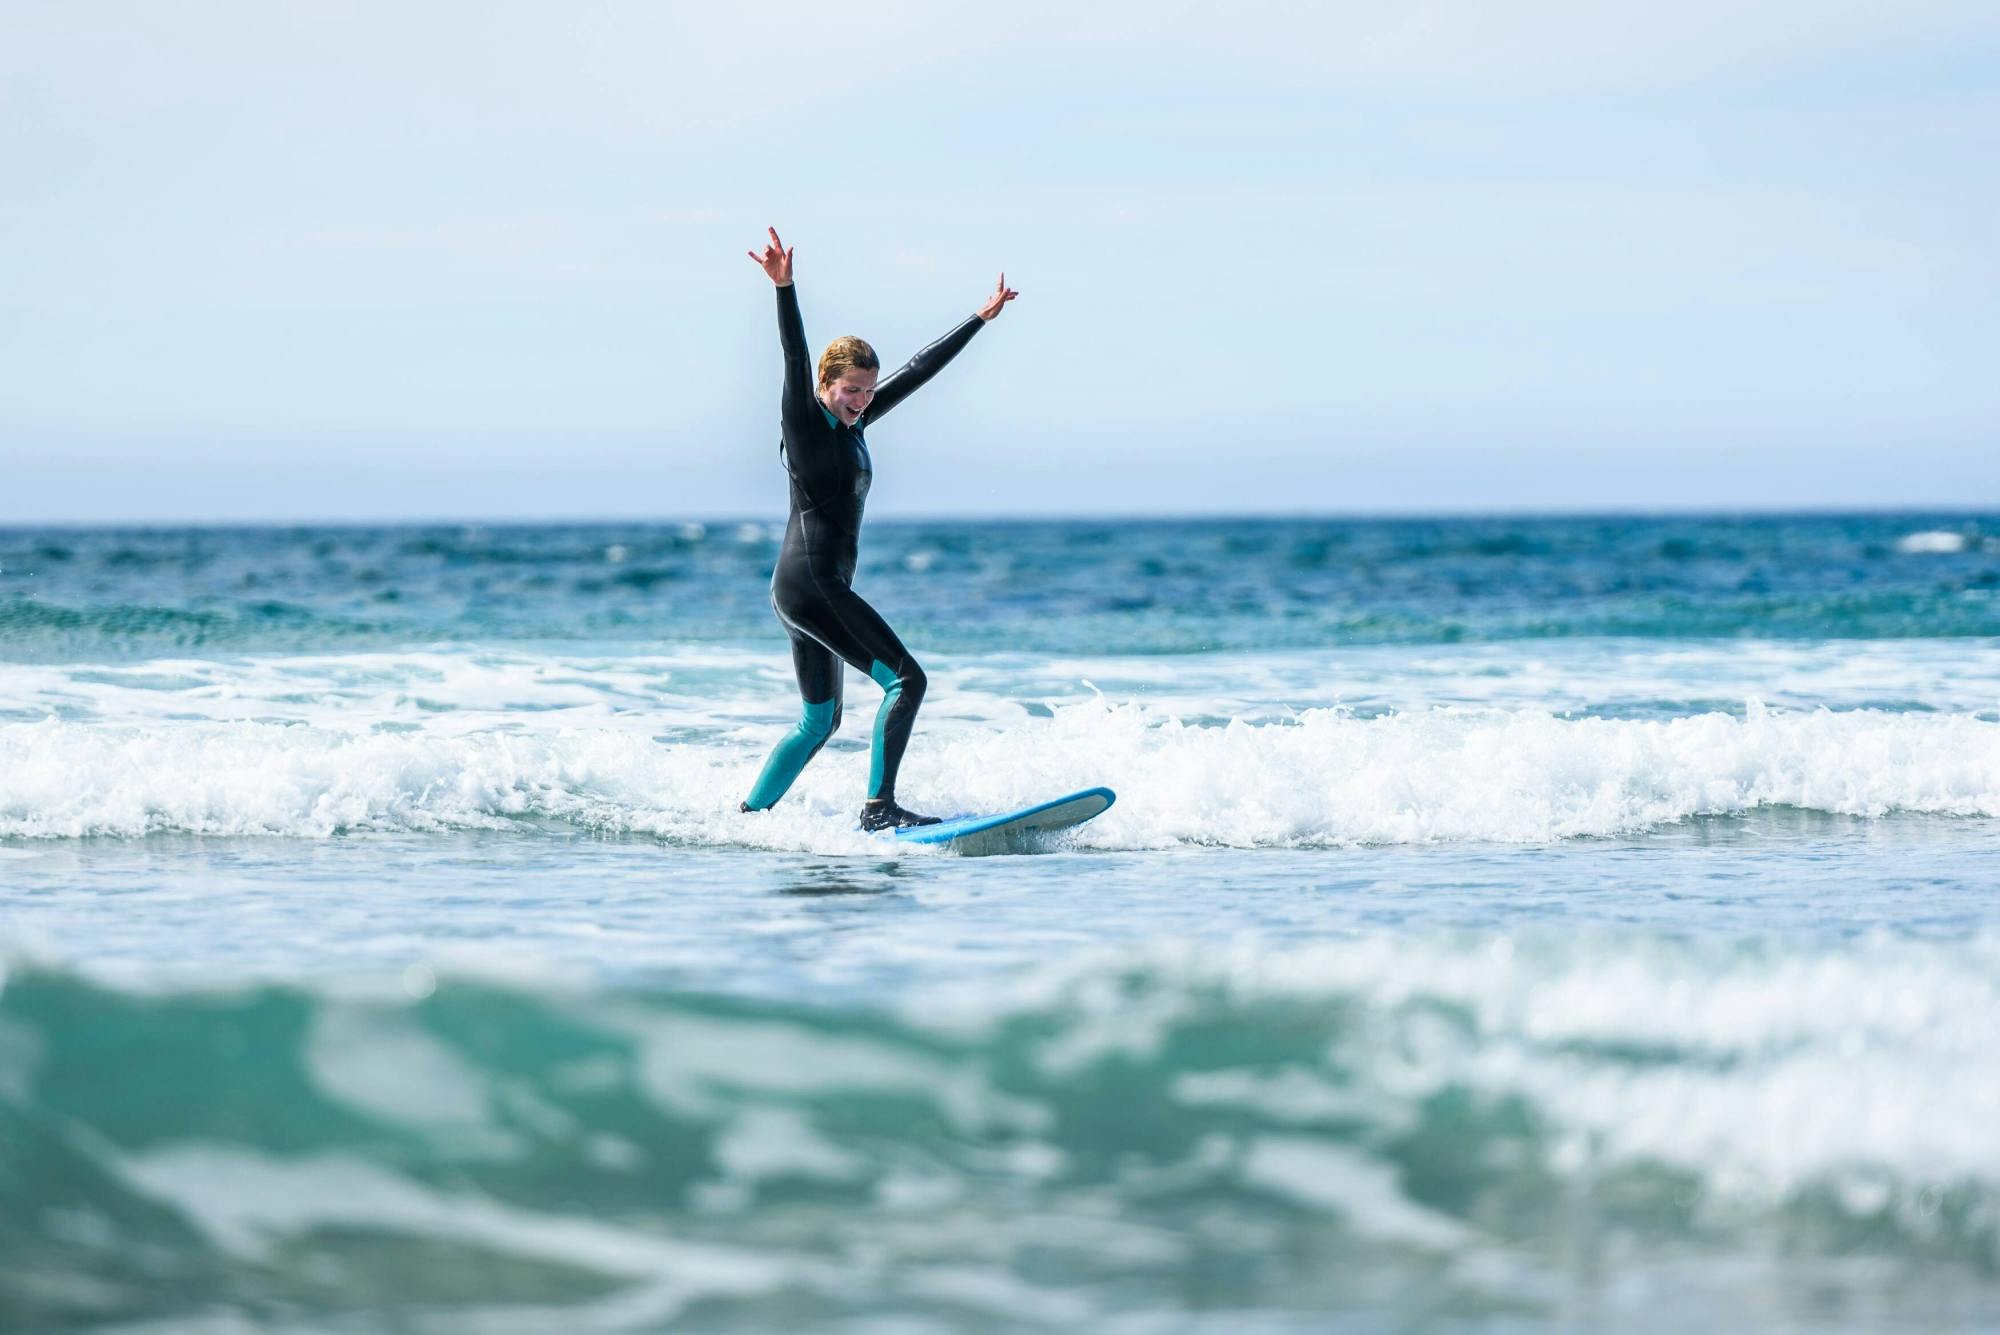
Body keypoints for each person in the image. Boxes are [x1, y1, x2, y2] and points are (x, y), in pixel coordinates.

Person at [740, 227, 1017, 830]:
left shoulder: (853, 426)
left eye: (868, 390)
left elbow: (918, 371)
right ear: (825, 385)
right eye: (851, 390)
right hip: (814, 586)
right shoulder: (807, 421)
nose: (863, 400)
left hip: (798, 587)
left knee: (819, 722)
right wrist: (784, 289)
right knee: (908, 681)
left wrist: (980, 318)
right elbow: (793, 356)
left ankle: (748, 817)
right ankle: (878, 808)